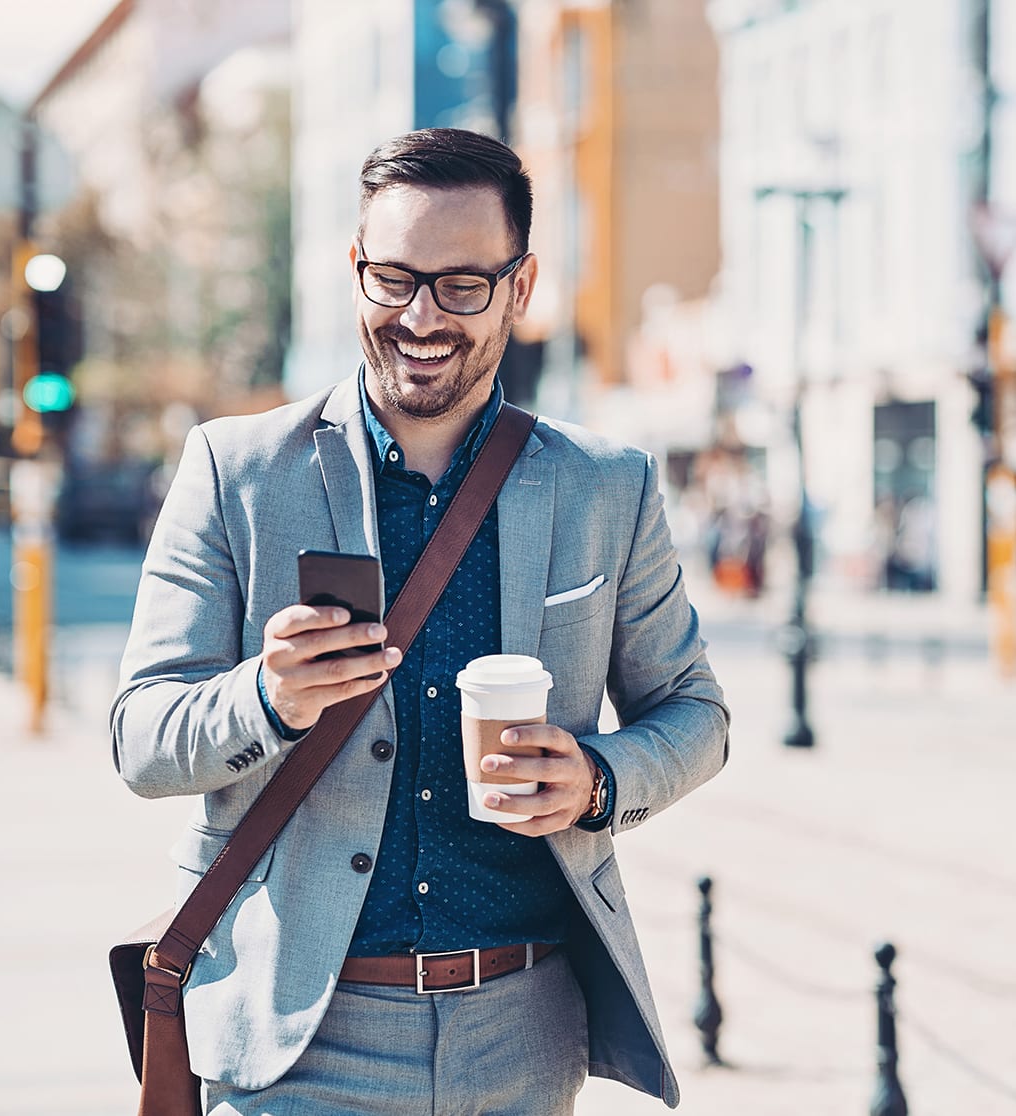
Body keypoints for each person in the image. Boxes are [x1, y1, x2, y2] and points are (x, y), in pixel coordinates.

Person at [111, 127, 730, 1116]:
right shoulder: (235, 471)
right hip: (302, 1045)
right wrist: (266, 699)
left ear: (520, 290)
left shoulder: (607, 486)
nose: (421, 317)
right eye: (393, 279)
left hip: (525, 1040)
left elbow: (696, 714)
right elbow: (142, 741)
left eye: (461, 285)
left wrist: (599, 778)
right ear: (355, 271)